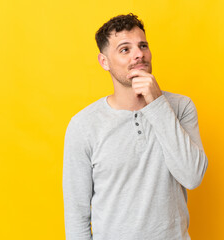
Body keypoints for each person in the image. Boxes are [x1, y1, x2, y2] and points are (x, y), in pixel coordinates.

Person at [63, 13, 208, 240]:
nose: (139, 54)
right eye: (125, 49)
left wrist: (158, 104)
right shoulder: (83, 126)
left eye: (143, 45)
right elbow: (76, 216)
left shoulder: (180, 107)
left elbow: (192, 176)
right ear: (104, 61)